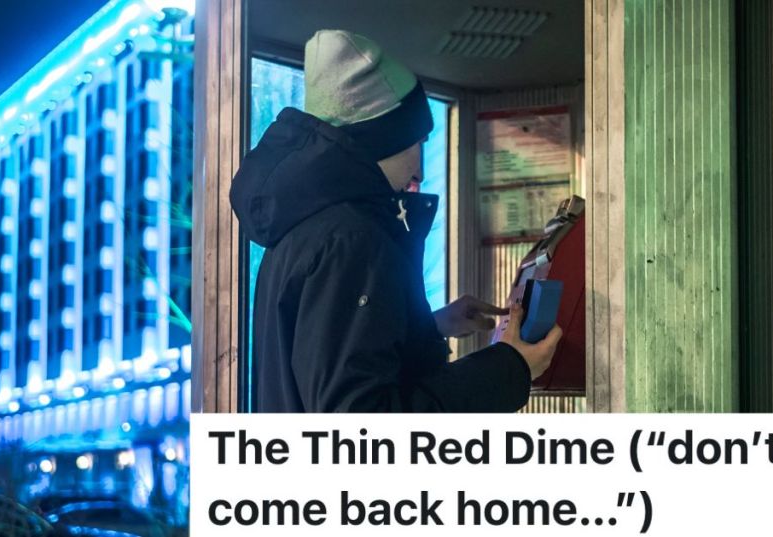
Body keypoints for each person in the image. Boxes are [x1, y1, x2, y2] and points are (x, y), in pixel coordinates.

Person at [229, 30, 562, 412]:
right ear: (386, 138)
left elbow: (326, 361)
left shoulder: (303, 228)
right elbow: (362, 425)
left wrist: (427, 326)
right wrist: (509, 366)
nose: (421, 162)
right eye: (418, 139)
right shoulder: (353, 239)